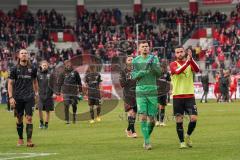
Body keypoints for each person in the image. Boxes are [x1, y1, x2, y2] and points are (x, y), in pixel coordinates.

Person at [131, 41, 161, 150]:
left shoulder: (154, 59)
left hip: (152, 90)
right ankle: (147, 141)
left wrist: (153, 67)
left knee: (152, 120)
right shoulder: (135, 60)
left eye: (146, 46)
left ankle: (146, 137)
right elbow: (133, 76)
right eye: (143, 46)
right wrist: (141, 72)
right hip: (140, 91)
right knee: (143, 116)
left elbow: (159, 73)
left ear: (149, 48)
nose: (145, 48)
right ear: (139, 49)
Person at [170, 46, 200, 149]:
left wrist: (191, 59)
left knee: (194, 118)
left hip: (189, 96)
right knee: (179, 120)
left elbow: (197, 69)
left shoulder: (189, 62)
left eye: (181, 52)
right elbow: (177, 71)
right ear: (175, 54)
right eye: (177, 52)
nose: (179, 54)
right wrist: (188, 62)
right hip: (177, 96)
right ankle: (182, 142)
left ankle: (187, 135)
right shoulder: (173, 64)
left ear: (184, 52)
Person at [8, 49, 38, 147]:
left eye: (25, 53)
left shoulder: (33, 68)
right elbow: (10, 83)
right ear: (19, 56)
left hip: (29, 97)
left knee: (29, 118)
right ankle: (20, 138)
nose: (24, 55)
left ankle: (29, 140)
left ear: (28, 56)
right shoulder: (14, 69)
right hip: (18, 97)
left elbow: (34, 82)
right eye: (22, 53)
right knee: (19, 118)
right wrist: (11, 97)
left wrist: (36, 93)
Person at [58, 60, 82, 124]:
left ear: (71, 64)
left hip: (74, 92)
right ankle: (67, 120)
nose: (68, 65)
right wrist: (58, 91)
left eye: (69, 63)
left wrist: (80, 91)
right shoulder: (62, 73)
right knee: (66, 105)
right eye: (66, 64)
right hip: (65, 92)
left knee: (74, 105)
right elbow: (59, 83)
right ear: (65, 65)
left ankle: (74, 116)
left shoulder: (75, 72)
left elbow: (79, 82)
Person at [119, 56, 137, 138]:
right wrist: (129, 78)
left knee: (134, 114)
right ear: (126, 62)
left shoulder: (137, 70)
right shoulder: (123, 72)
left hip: (137, 94)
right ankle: (133, 132)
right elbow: (122, 84)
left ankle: (128, 129)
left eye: (132, 59)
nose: (131, 60)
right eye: (129, 59)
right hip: (127, 94)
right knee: (131, 112)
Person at [37, 60, 55, 129]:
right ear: (41, 66)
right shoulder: (38, 74)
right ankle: (41, 123)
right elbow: (35, 84)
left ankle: (46, 124)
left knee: (48, 111)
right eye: (43, 65)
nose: (44, 66)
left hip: (49, 95)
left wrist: (53, 93)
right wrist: (36, 92)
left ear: (48, 66)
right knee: (39, 109)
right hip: (40, 95)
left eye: (46, 65)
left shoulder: (51, 74)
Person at [156, 62, 171, 127]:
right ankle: (157, 121)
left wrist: (169, 90)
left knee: (162, 106)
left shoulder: (167, 74)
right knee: (157, 106)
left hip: (164, 92)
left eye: (163, 67)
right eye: (161, 67)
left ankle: (161, 121)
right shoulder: (156, 73)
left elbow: (169, 82)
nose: (162, 68)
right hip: (157, 92)